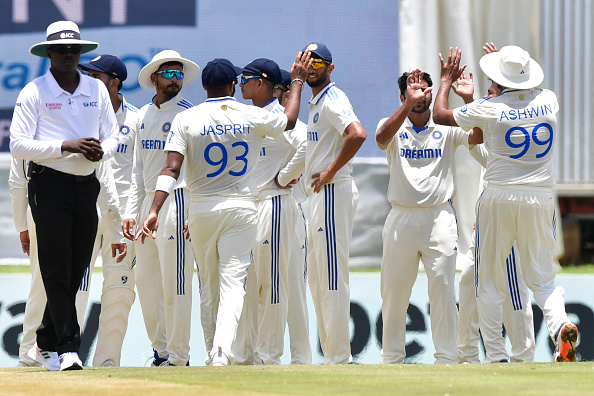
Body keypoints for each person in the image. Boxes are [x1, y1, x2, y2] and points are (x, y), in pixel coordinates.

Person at [139, 53, 311, 366]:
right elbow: (289, 121)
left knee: (209, 286)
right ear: (233, 84)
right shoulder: (249, 115)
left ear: (203, 85)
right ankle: (222, 353)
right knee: (234, 284)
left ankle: (212, 351)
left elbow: (171, 167)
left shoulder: (186, 118)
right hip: (242, 208)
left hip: (202, 210)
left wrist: (154, 209)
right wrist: (296, 83)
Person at [433, 46, 578, 362]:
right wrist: (507, 69)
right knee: (543, 279)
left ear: (499, 82)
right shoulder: (548, 99)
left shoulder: (491, 107)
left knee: (488, 280)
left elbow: (439, 115)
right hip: (540, 198)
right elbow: (521, 96)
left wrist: (445, 81)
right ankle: (560, 325)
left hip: (498, 197)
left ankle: (496, 355)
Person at [9, 20, 119, 371]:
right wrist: (65, 146)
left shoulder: (96, 90)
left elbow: (113, 136)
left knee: (77, 268)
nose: (69, 54)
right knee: (56, 267)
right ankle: (69, 348)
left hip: (87, 185)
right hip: (48, 185)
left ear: (80, 53)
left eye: (74, 49)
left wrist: (102, 151)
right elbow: (18, 144)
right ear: (49, 54)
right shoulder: (34, 91)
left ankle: (44, 340)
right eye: (61, 50)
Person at [375, 69, 474, 364]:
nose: (420, 96)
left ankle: (446, 357)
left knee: (443, 290)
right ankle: (391, 358)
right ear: (402, 96)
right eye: (412, 90)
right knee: (394, 292)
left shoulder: (445, 125)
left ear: (432, 92)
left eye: (425, 90)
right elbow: (380, 139)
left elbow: (478, 136)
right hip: (401, 218)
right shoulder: (391, 124)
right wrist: (407, 104)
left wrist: (468, 99)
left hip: (439, 217)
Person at [452, 49, 535, 363]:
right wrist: (468, 101)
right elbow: (475, 142)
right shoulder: (493, 141)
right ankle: (471, 354)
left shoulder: (514, 136)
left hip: (511, 220)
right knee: (471, 281)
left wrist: (502, 65)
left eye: (491, 92)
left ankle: (523, 355)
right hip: (487, 225)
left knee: (514, 288)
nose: (487, 99)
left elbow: (513, 91)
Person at [122, 50, 199, 367]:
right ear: (154, 78)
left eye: (179, 74)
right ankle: (162, 352)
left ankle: (180, 356)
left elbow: (196, 170)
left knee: (176, 282)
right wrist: (130, 211)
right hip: (145, 207)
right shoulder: (142, 116)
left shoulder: (190, 115)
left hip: (178, 202)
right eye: (168, 74)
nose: (175, 79)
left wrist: (193, 212)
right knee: (147, 282)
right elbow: (137, 171)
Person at [232, 59, 307, 365]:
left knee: (272, 282)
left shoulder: (279, 115)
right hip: (251, 206)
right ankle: (244, 355)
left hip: (275, 203)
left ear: (262, 83)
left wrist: (283, 177)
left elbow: (306, 144)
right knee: (247, 284)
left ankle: (269, 357)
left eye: (245, 78)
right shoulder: (251, 116)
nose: (240, 83)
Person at [302, 42, 366, 365]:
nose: (311, 66)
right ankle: (332, 353)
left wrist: (330, 170)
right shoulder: (315, 102)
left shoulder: (332, 99)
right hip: (319, 194)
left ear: (330, 67)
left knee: (330, 275)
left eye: (317, 61)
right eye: (306, 60)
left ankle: (340, 357)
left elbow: (357, 134)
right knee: (316, 276)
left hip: (331, 191)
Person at [79, 54, 139, 367]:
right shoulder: (79, 115)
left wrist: (135, 215)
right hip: (84, 212)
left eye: (95, 76)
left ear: (114, 82)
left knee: (119, 290)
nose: (86, 81)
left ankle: (107, 363)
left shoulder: (138, 119)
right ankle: (67, 355)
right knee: (76, 286)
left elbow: (143, 175)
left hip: (123, 218)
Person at [274, 69, 312, 364]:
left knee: (294, 288)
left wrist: (282, 177)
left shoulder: (300, 130)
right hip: (259, 213)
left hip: (292, 212)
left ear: (288, 94)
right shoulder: (261, 124)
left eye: (278, 92)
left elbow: (305, 156)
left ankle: (301, 358)